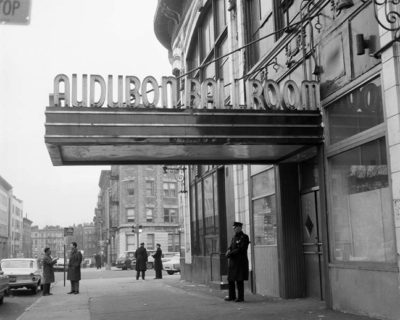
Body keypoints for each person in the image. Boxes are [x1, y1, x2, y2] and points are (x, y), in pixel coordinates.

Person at [224, 221, 249, 302]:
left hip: (240, 262)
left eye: (235, 228)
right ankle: (232, 296)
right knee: (230, 279)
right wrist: (228, 250)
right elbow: (231, 246)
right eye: (233, 228)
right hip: (233, 262)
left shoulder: (244, 237)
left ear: (239, 227)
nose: (234, 229)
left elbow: (241, 249)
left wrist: (230, 253)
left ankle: (240, 298)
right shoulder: (234, 237)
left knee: (239, 280)